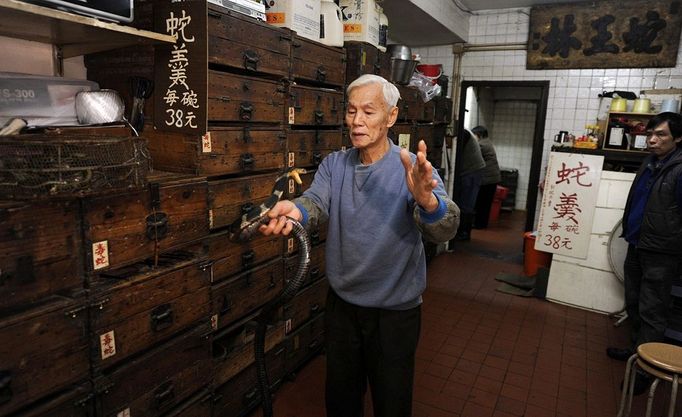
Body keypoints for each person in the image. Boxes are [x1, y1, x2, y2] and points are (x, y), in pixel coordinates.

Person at [259, 74, 459, 417]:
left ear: (391, 117)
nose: (357, 121)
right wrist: (296, 210)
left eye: (368, 111)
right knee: (341, 400)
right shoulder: (335, 165)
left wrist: (428, 203)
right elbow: (315, 202)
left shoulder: (410, 169)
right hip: (343, 307)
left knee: (391, 403)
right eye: (351, 111)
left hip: (395, 311)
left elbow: (445, 228)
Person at [606, 111, 682, 394]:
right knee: (634, 301)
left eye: (660, 134)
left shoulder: (679, 168)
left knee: (653, 309)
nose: (652, 140)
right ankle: (635, 351)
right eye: (649, 134)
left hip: (662, 251)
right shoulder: (650, 162)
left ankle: (646, 370)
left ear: (678, 137)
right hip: (637, 243)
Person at [452, 128, 485, 241]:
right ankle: (462, 232)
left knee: (466, 203)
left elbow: (458, 151)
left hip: (472, 171)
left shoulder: (463, 132)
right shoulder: (466, 133)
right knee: (465, 202)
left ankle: (464, 233)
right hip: (471, 170)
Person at [472, 125, 501, 229]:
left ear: (479, 135)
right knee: (486, 203)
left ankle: (479, 224)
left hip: (487, 179)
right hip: (492, 178)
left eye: (474, 135)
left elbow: (473, 157)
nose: (473, 137)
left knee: (481, 203)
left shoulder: (481, 145)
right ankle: (482, 224)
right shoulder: (487, 142)